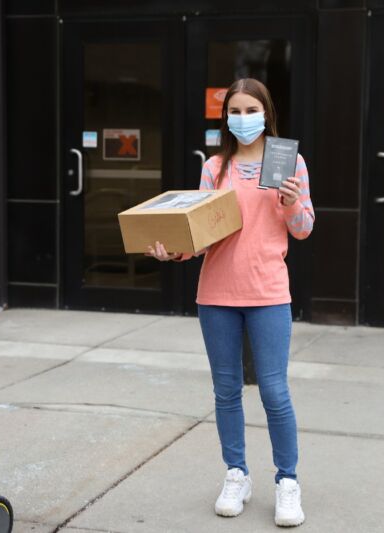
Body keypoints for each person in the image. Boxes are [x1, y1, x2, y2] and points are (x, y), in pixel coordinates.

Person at [146, 78, 314, 527]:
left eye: (250, 110)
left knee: (275, 393)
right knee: (226, 392)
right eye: (234, 111)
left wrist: (293, 204)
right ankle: (236, 473)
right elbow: (202, 235)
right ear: (226, 118)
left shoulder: (288, 160)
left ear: (267, 112)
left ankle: (287, 481)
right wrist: (174, 249)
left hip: (268, 293)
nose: (243, 119)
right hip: (217, 294)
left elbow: (303, 229)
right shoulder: (214, 167)